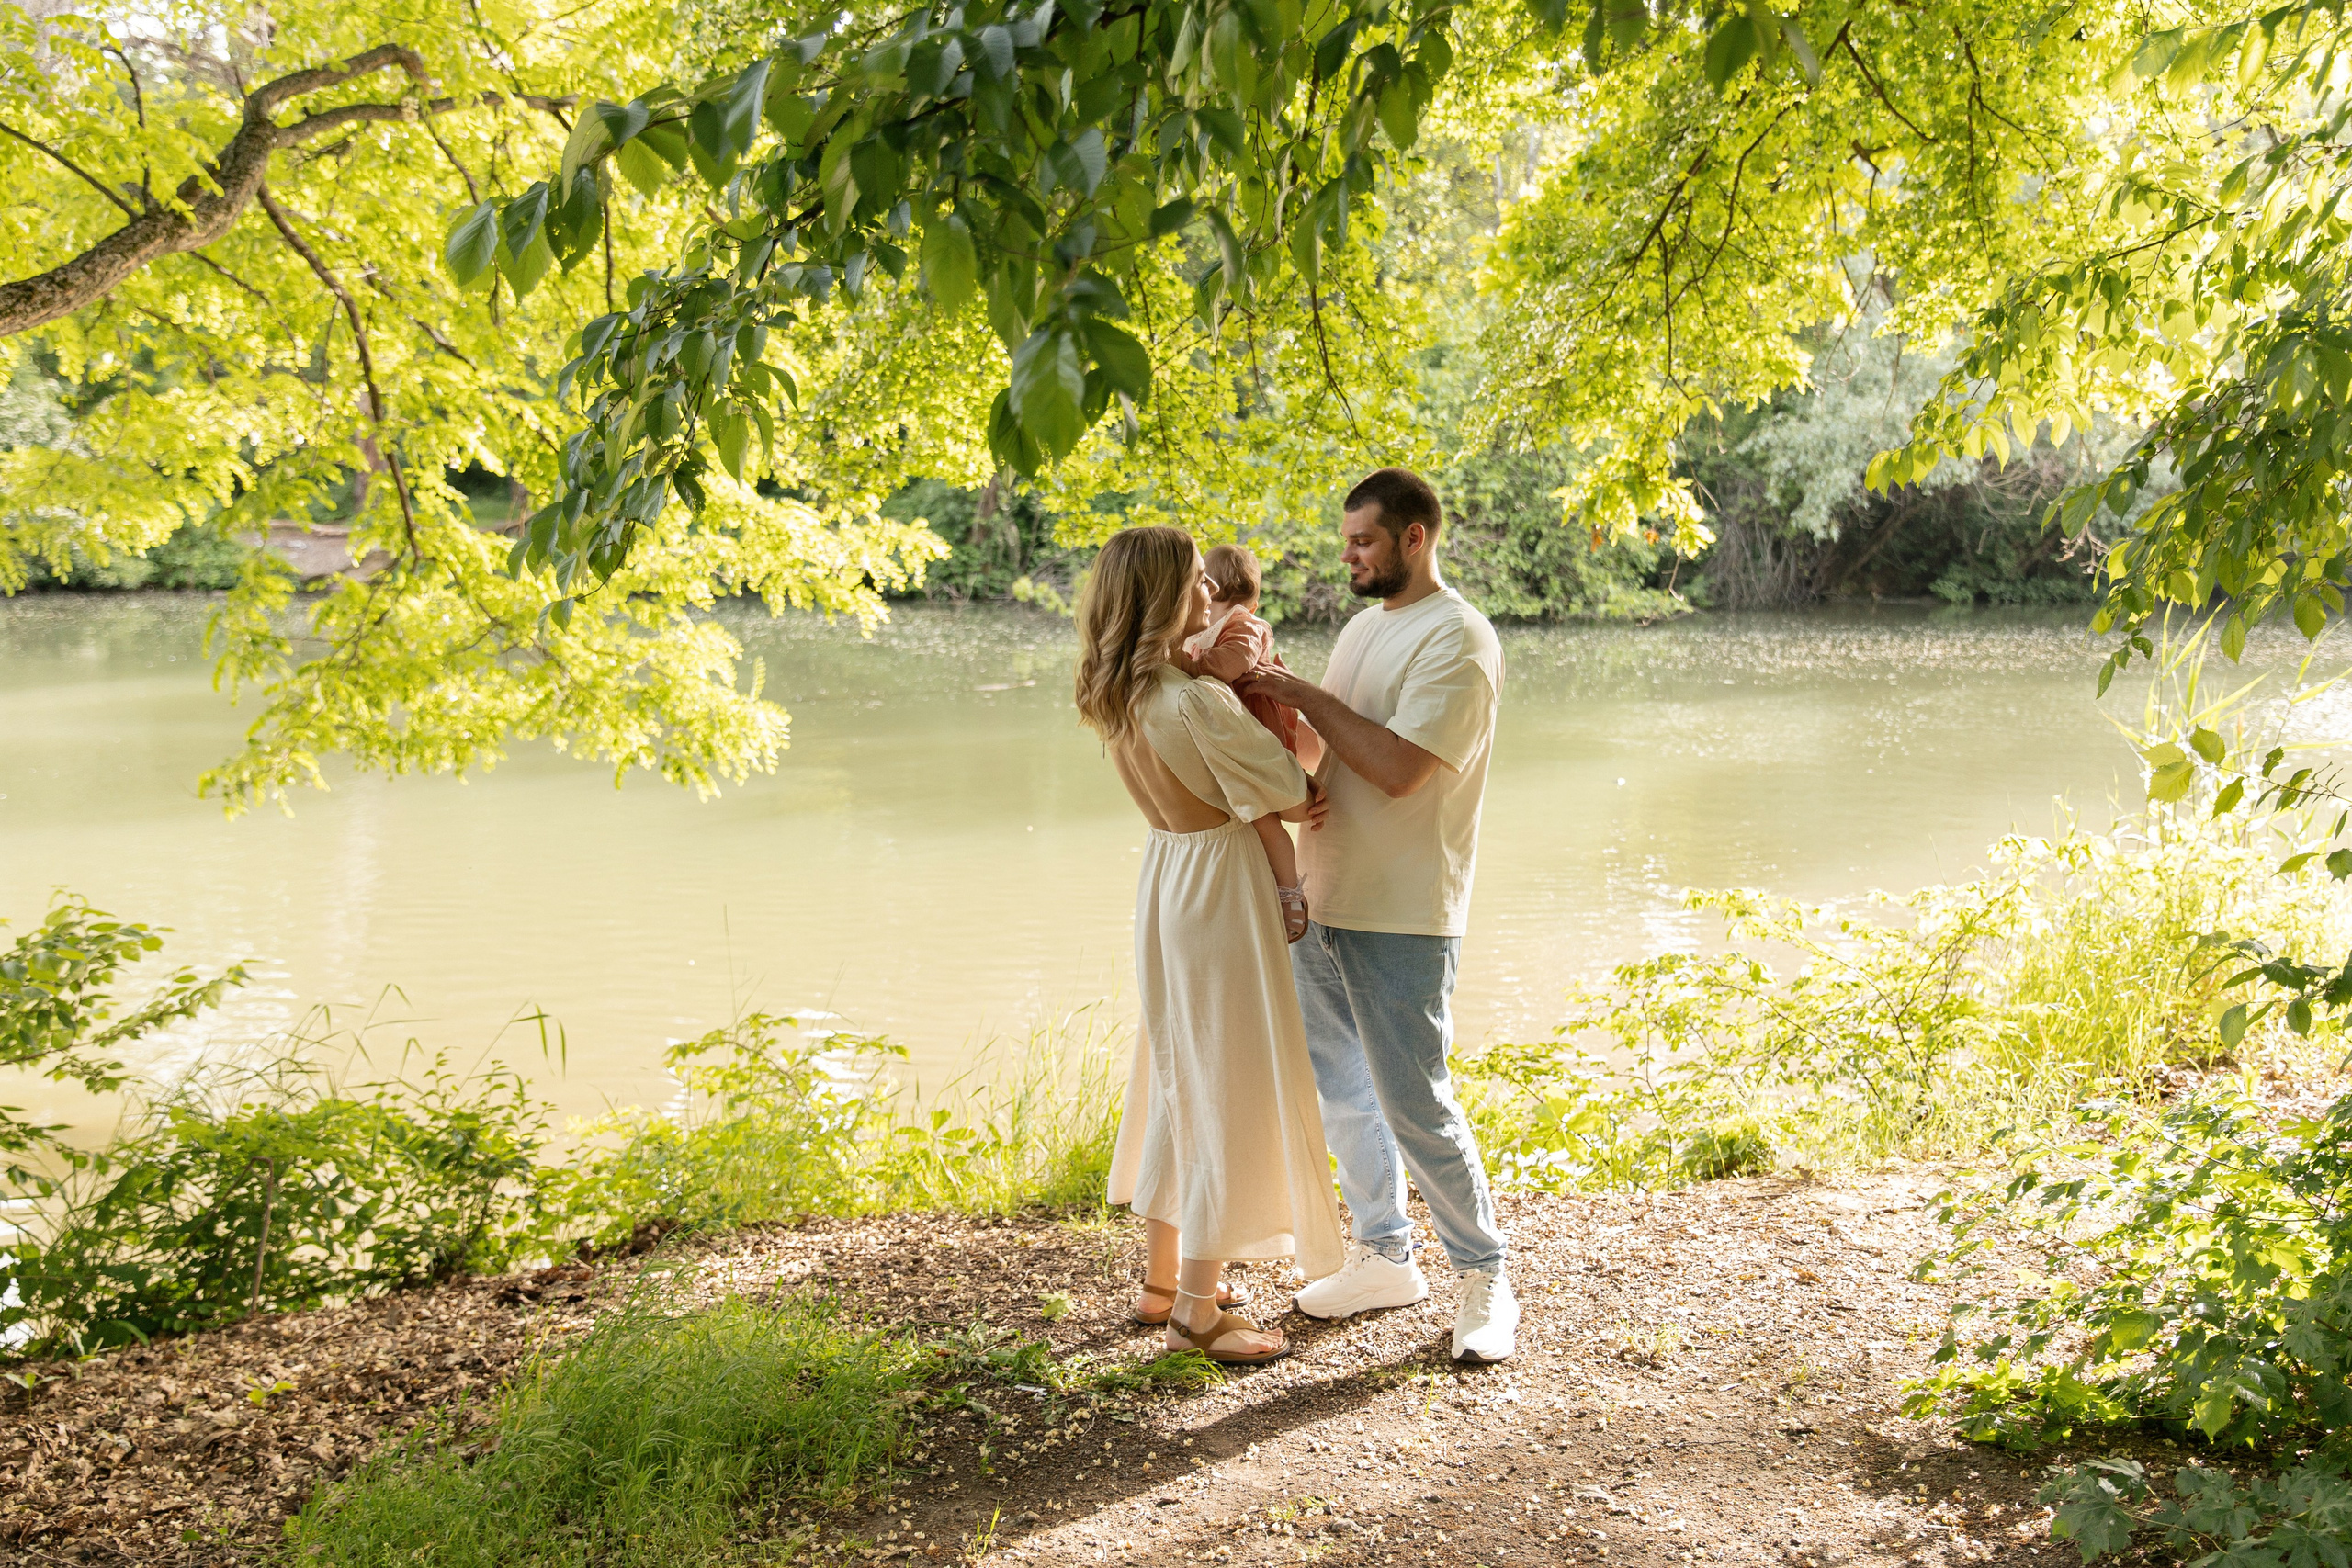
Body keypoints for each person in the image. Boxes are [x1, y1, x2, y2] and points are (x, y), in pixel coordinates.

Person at [1234, 468, 1517, 1364]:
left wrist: (1302, 690)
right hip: (1323, 896)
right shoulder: (1362, 627)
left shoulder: (1459, 641)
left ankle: (1484, 1278)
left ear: (1414, 538)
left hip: (1403, 910)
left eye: (1362, 542)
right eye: (1346, 542)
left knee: (1415, 1102)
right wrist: (1259, 707)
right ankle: (1385, 1255)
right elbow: (1325, 750)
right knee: (1343, 1093)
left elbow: (1397, 769)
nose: (1349, 556)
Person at [1080, 525, 1347, 1364]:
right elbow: (1292, 787)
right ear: (1165, 595)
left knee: (1176, 1071)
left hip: (1166, 877)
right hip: (1221, 888)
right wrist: (1249, 689)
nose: (1210, 595)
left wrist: (1206, 669)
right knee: (1223, 1082)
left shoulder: (1118, 691)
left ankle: (1165, 1278)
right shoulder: (1192, 699)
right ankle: (1198, 1308)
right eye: (1197, 583)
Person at [1177, 541, 1317, 942]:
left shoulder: (1245, 627)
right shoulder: (1208, 630)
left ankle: (1290, 892)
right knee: (1252, 819)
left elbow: (1230, 664)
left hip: (1258, 735)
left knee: (1265, 820)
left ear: (1215, 592)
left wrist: (1187, 664)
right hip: (1234, 739)